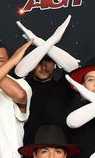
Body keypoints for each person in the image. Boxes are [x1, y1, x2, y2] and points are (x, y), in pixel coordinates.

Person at [14, 17, 79, 146]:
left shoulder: (64, 86)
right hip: (29, 152)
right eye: (38, 61)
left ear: (55, 64)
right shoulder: (22, 85)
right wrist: (52, 40)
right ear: (32, 63)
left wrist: (39, 42)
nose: (43, 66)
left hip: (60, 154)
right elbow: (19, 72)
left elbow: (73, 67)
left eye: (48, 61)